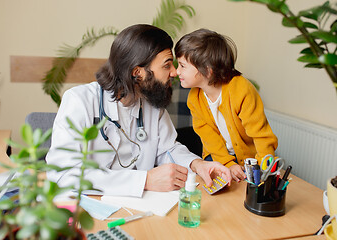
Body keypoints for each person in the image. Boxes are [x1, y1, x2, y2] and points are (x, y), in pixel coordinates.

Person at [46, 24, 231, 197]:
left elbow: (168, 149)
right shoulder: (80, 101)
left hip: (142, 205)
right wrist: (145, 180)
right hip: (93, 204)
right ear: (137, 73)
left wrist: (198, 165)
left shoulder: (150, 103)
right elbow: (63, 174)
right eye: (167, 65)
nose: (174, 72)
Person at [174, 29, 278, 182]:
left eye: (182, 66)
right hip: (217, 155)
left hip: (250, 158)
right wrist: (227, 163)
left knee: (252, 188)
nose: (177, 71)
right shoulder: (194, 99)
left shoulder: (241, 90)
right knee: (215, 187)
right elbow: (209, 138)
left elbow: (261, 136)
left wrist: (264, 169)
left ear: (207, 71)